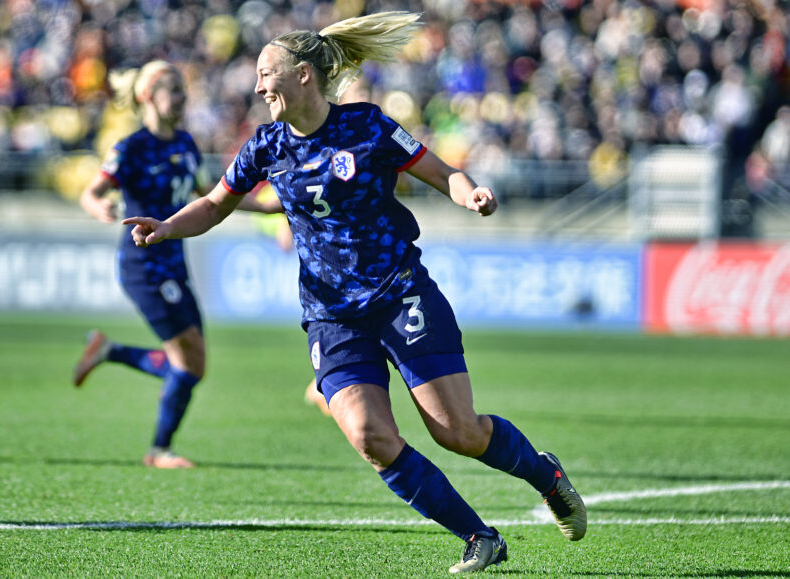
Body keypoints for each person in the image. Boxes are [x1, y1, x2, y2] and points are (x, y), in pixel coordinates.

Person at [123, 12, 586, 572]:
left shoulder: (367, 125)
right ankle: (478, 537)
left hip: (399, 293)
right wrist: (169, 226)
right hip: (331, 316)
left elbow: (441, 171)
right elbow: (216, 204)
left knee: (458, 432)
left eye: (267, 73)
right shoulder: (266, 147)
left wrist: (470, 194)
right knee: (370, 436)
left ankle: (546, 475)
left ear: (302, 76)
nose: (257, 85)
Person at [73, 59, 278, 469]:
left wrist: (269, 207)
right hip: (142, 265)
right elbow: (90, 192)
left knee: (194, 364)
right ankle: (159, 450)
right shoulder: (130, 148)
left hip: (175, 264)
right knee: (188, 361)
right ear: (148, 95)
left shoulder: (185, 143)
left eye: (183, 90)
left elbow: (214, 196)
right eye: (173, 89)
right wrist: (101, 207)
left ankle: (110, 352)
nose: (182, 97)